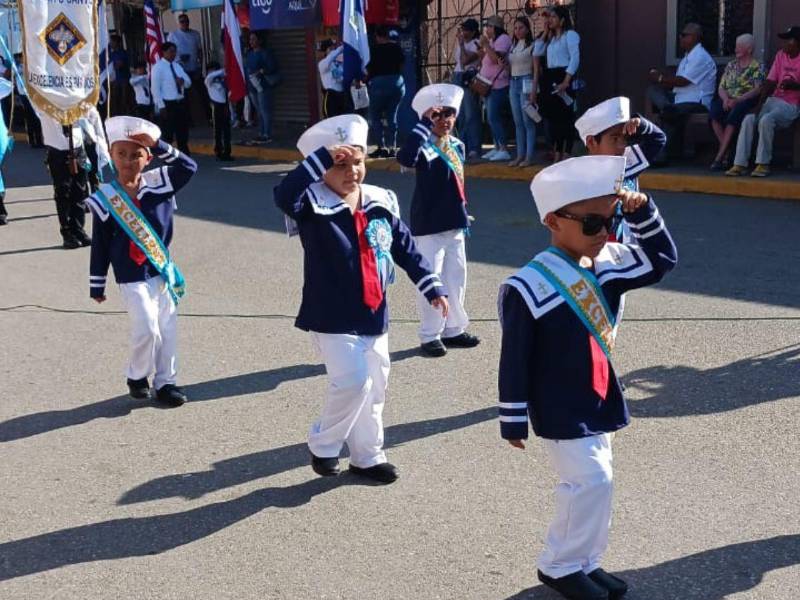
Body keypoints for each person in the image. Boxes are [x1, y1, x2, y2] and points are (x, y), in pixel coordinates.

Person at [498, 155, 677, 600]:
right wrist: (512, 418)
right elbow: (515, 357)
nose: (605, 233)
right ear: (554, 221)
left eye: (611, 220)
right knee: (589, 482)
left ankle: (586, 561)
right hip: (558, 403)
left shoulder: (607, 263)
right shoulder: (529, 285)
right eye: (594, 223)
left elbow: (662, 260)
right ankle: (558, 565)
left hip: (598, 395)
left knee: (602, 482)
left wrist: (643, 212)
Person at [273, 114, 449, 484]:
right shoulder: (311, 204)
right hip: (331, 316)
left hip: (374, 313)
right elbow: (284, 194)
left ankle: (367, 455)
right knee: (353, 381)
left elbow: (404, 248)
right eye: (340, 164)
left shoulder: (379, 201)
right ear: (321, 169)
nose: (351, 171)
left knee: (376, 385)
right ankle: (323, 445)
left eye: (357, 162)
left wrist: (431, 286)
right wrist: (321, 158)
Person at [85, 116, 197, 406]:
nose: (128, 161)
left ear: (147, 159)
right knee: (147, 326)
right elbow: (100, 244)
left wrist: (158, 145)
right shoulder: (106, 198)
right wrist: (97, 284)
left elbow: (189, 167)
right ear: (111, 155)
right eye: (121, 154)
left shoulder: (160, 183)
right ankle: (136, 375)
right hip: (130, 274)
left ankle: (166, 383)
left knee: (168, 327)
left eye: (136, 155)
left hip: (161, 270)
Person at [397, 83, 481, 357]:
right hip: (429, 224)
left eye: (450, 114)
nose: (445, 121)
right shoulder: (422, 146)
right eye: (438, 115)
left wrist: (461, 209)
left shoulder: (457, 145)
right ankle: (430, 334)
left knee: (456, 277)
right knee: (431, 278)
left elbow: (455, 184)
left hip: (455, 221)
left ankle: (453, 329)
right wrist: (422, 127)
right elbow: (406, 158)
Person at [726, 26, 800, 178]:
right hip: (773, 100)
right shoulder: (781, 55)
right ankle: (739, 164)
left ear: (795, 42)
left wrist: (794, 86)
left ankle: (763, 164)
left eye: (787, 40)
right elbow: (770, 82)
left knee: (766, 120)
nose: (783, 44)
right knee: (749, 119)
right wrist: (758, 107)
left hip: (791, 106)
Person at [646, 22, 717, 162]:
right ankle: (667, 107)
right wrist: (659, 79)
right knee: (652, 90)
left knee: (671, 113)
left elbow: (683, 81)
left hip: (697, 101)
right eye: (680, 35)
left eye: (684, 35)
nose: (680, 38)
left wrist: (660, 78)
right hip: (679, 100)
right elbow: (674, 84)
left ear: (696, 37)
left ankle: (660, 155)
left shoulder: (701, 57)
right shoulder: (687, 57)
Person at [708, 34, 765, 170]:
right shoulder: (731, 65)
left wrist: (738, 99)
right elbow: (721, 87)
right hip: (727, 99)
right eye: (736, 46)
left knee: (734, 115)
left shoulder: (757, 66)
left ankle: (719, 156)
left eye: (739, 46)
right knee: (714, 114)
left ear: (749, 49)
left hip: (745, 100)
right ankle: (728, 152)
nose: (736, 49)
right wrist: (726, 99)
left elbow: (758, 89)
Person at [39, 112, 92, 248]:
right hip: (58, 151)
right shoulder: (46, 102)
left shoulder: (74, 99)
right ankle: (67, 233)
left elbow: (89, 113)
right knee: (63, 192)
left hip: (78, 149)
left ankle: (79, 229)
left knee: (80, 191)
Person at [538, 5, 580, 163]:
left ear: (562, 20)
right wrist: (545, 33)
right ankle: (556, 151)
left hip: (564, 75)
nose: (550, 20)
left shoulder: (570, 35)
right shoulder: (551, 39)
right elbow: (536, 52)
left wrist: (566, 81)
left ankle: (567, 152)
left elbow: (575, 58)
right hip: (550, 77)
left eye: (553, 17)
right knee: (554, 118)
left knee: (566, 117)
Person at [366, 26, 406, 158]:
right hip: (396, 83)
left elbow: (369, 69)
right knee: (392, 115)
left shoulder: (374, 49)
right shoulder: (396, 47)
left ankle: (381, 147)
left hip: (379, 83)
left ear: (377, 36)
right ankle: (392, 147)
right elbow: (402, 64)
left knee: (375, 115)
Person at [478, 15, 512, 161]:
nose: (486, 29)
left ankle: (504, 148)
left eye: (489, 26)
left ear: (495, 27)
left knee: (494, 116)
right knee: (490, 118)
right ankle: (497, 146)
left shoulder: (503, 39)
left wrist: (486, 45)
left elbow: (496, 59)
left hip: (498, 85)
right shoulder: (492, 41)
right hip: (487, 84)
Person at [167, 13, 209, 124]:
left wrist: (200, 66)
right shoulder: (173, 35)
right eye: (182, 21)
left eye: (186, 21)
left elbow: (200, 51)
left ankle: (209, 117)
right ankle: (187, 120)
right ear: (178, 23)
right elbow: (168, 52)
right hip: (180, 69)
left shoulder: (195, 34)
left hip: (194, 68)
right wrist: (178, 58)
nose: (184, 23)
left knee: (202, 93)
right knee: (183, 96)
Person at [151, 42, 192, 155]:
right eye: (170, 51)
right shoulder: (158, 67)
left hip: (180, 102)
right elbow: (155, 88)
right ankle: (167, 155)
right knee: (168, 131)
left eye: (174, 51)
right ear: (164, 52)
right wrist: (161, 105)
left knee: (183, 130)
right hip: (168, 103)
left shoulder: (177, 66)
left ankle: (183, 153)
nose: (173, 54)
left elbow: (188, 82)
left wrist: (183, 82)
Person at [507, 15, 537, 167]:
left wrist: (533, 90)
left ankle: (529, 157)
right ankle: (520, 155)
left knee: (527, 121)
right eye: (516, 28)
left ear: (527, 29)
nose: (518, 31)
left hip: (526, 80)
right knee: (518, 122)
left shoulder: (532, 45)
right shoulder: (513, 46)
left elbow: (536, 69)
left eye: (521, 28)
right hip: (513, 82)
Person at [452, 18, 482, 160]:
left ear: (473, 31)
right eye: (462, 30)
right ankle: (462, 145)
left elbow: (465, 62)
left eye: (466, 30)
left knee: (471, 114)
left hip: (468, 77)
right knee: (461, 114)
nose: (463, 32)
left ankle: (474, 147)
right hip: (458, 76)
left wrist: (462, 45)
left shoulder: (475, 44)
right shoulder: (461, 43)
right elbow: (457, 62)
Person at [245, 32, 280, 144]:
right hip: (252, 85)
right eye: (250, 39)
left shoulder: (265, 53)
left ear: (260, 41)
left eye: (254, 39)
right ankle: (261, 132)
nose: (251, 42)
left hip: (263, 85)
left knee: (265, 110)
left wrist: (261, 71)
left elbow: (272, 67)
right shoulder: (249, 54)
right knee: (259, 111)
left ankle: (267, 134)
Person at [13, 53, 43, 148]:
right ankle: (32, 141)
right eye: (20, 57)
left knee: (35, 118)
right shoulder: (17, 67)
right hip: (24, 96)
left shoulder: (29, 66)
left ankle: (38, 140)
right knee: (30, 118)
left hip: (32, 95)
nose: (21, 59)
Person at [204, 61, 232, 161]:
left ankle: (227, 152)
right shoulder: (209, 80)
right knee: (218, 130)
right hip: (216, 105)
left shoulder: (222, 78)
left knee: (227, 130)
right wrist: (222, 69)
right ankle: (218, 151)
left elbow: (228, 73)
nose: (212, 71)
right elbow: (214, 74)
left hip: (225, 104)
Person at [318, 39, 347, 118]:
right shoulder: (322, 64)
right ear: (325, 50)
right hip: (331, 96)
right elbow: (330, 58)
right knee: (330, 120)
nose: (333, 50)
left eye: (333, 48)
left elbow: (341, 78)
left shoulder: (337, 64)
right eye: (330, 48)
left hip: (341, 95)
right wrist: (340, 48)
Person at [109, 34, 132, 116]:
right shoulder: (111, 54)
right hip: (115, 81)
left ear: (116, 42)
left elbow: (119, 65)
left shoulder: (122, 53)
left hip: (123, 81)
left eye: (112, 42)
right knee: (115, 102)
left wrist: (112, 65)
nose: (110, 43)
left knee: (124, 101)